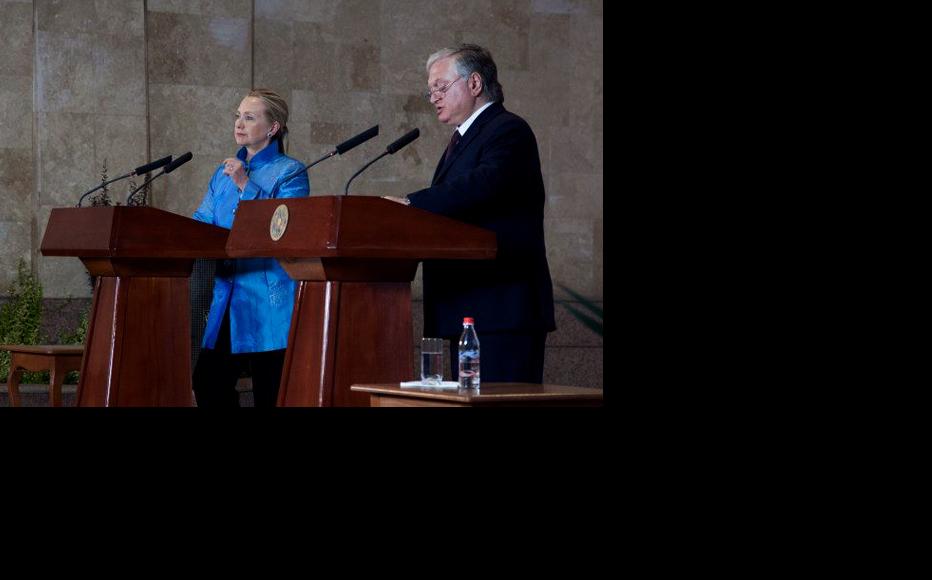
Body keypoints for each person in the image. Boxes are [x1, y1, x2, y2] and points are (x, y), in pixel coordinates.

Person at [384, 44, 556, 384]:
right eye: (430, 89)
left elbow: (483, 184)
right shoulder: (463, 139)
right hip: (466, 307)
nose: (433, 96)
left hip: (501, 308)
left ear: (474, 84)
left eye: (441, 87)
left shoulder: (508, 130)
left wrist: (411, 205)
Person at [192, 89, 310, 407]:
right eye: (237, 116)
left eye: (249, 117)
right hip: (224, 297)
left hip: (267, 301)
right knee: (207, 380)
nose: (239, 123)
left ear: (272, 128)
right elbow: (201, 223)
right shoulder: (222, 172)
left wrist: (246, 185)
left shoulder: (291, 172)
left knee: (270, 391)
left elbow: (283, 227)